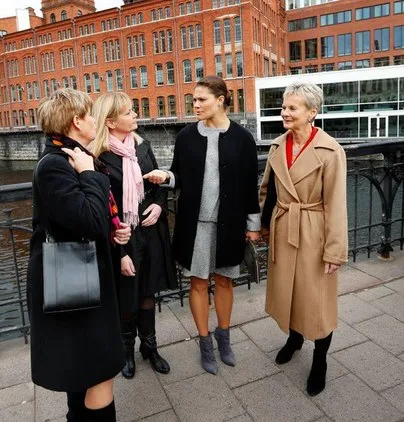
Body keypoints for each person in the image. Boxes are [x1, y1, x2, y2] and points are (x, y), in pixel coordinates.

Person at [144, 76, 261, 375]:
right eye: (193, 100)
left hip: (230, 223)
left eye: (201, 100)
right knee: (197, 282)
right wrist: (165, 177)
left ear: (221, 99)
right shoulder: (186, 136)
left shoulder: (243, 139)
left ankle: (224, 338)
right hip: (195, 225)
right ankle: (204, 342)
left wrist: (253, 224)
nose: (195, 105)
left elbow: (250, 185)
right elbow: (178, 175)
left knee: (224, 280)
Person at [27, 88, 131, 421]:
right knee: (98, 372)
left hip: (79, 277)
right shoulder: (56, 165)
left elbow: (91, 219)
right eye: (88, 114)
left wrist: (114, 232)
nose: (93, 119)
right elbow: (90, 220)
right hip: (76, 283)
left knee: (81, 372)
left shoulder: (70, 156)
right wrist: (88, 174)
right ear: (76, 121)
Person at [259, 81, 347, 397]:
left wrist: (334, 251)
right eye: (284, 107)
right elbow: (268, 192)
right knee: (290, 293)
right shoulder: (277, 146)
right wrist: (263, 226)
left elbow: (336, 203)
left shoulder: (330, 150)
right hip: (285, 229)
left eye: (292, 108)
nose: (285, 112)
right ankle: (295, 339)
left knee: (318, 302)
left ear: (312, 112)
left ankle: (320, 359)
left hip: (314, 233)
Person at [90, 92, 177, 379]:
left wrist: (158, 205)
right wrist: (121, 251)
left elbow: (158, 186)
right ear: (112, 122)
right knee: (127, 296)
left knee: (147, 292)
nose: (135, 115)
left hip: (149, 232)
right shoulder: (98, 157)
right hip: (122, 238)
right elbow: (101, 206)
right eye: (129, 112)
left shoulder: (142, 147)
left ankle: (149, 347)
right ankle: (126, 350)